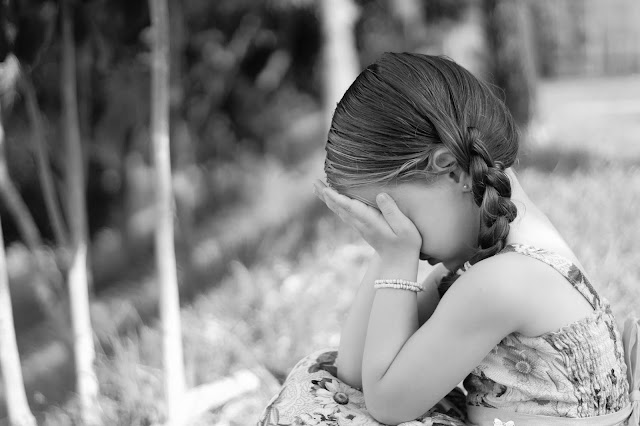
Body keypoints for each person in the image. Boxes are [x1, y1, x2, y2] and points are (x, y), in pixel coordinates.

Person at [257, 52, 639, 426]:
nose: (392, 231)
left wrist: (396, 259)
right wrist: (387, 251)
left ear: (452, 170)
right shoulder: (480, 267)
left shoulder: (503, 281)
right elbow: (352, 374)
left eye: (389, 213)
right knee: (318, 384)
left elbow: (387, 403)